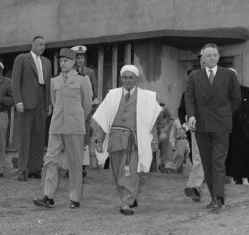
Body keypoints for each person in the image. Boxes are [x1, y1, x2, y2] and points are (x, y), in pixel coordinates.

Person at [93, 65, 163, 215]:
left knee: (130, 171)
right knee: (117, 171)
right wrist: (99, 139)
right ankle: (128, 197)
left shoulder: (147, 97)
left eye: (131, 77)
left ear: (137, 79)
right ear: (121, 78)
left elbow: (151, 121)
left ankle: (126, 202)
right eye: (125, 77)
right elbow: (103, 119)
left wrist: (154, 140)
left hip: (135, 140)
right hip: (115, 139)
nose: (127, 80)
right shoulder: (112, 95)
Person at [33, 48, 93, 208]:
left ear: (73, 62)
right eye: (60, 61)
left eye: (66, 60)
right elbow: (53, 101)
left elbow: (87, 104)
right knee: (50, 160)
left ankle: (75, 198)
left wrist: (78, 117)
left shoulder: (83, 79)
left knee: (74, 163)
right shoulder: (54, 81)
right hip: (57, 126)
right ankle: (48, 195)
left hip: (75, 126)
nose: (62, 63)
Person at [185, 43, 241, 210]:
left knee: (218, 161)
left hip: (221, 125)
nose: (212, 58)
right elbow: (189, 99)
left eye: (215, 55)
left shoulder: (228, 75)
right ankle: (214, 196)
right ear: (203, 58)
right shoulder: (194, 76)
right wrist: (192, 116)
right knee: (208, 163)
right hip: (202, 125)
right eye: (208, 55)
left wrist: (224, 113)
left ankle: (218, 197)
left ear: (218, 57)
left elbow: (236, 99)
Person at [11, 35, 53, 181]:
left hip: (42, 99)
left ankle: (35, 168)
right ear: (33, 45)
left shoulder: (47, 62)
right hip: (26, 101)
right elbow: (15, 82)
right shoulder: (22, 58)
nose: (42, 47)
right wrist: (18, 101)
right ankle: (22, 169)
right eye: (39, 44)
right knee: (24, 136)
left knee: (39, 136)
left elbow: (48, 84)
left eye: (44, 45)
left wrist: (49, 103)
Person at [178, 63, 206, 202]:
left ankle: (197, 185)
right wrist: (185, 126)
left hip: (212, 127)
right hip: (195, 129)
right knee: (198, 156)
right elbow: (182, 111)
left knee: (206, 158)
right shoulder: (186, 94)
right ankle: (195, 186)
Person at [71, 45, 99, 174]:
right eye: (77, 57)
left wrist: (90, 108)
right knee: (70, 137)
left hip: (85, 111)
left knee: (83, 138)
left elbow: (94, 92)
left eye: (81, 57)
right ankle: (69, 167)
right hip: (71, 110)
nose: (79, 60)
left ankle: (82, 167)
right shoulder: (68, 72)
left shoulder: (90, 73)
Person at [156, 104, 175, 172]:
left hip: (161, 131)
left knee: (164, 150)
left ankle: (164, 167)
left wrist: (165, 129)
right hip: (152, 132)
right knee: (153, 149)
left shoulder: (164, 108)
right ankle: (153, 169)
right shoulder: (152, 107)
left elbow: (171, 119)